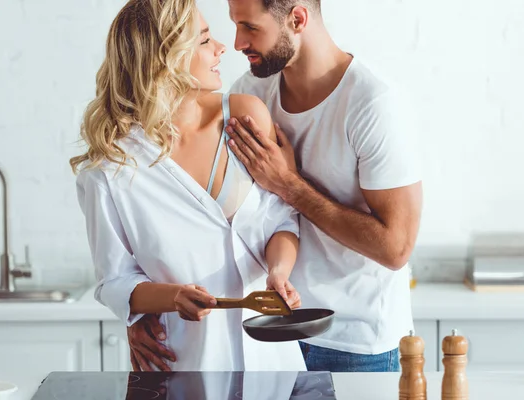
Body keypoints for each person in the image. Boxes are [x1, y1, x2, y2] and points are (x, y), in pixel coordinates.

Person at [129, 0, 423, 372]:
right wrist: (140, 309)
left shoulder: (373, 105)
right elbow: (193, 212)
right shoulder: (249, 94)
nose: (236, 42)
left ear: (297, 19)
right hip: (266, 335)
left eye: (250, 28)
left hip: (353, 341)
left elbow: (395, 249)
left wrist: (289, 184)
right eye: (235, 25)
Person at [70, 0, 306, 372]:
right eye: (204, 41)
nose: (221, 48)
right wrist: (171, 297)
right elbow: (114, 281)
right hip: (181, 360)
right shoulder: (111, 168)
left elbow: (281, 221)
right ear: (164, 58)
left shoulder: (245, 117)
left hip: (271, 359)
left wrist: (278, 271)